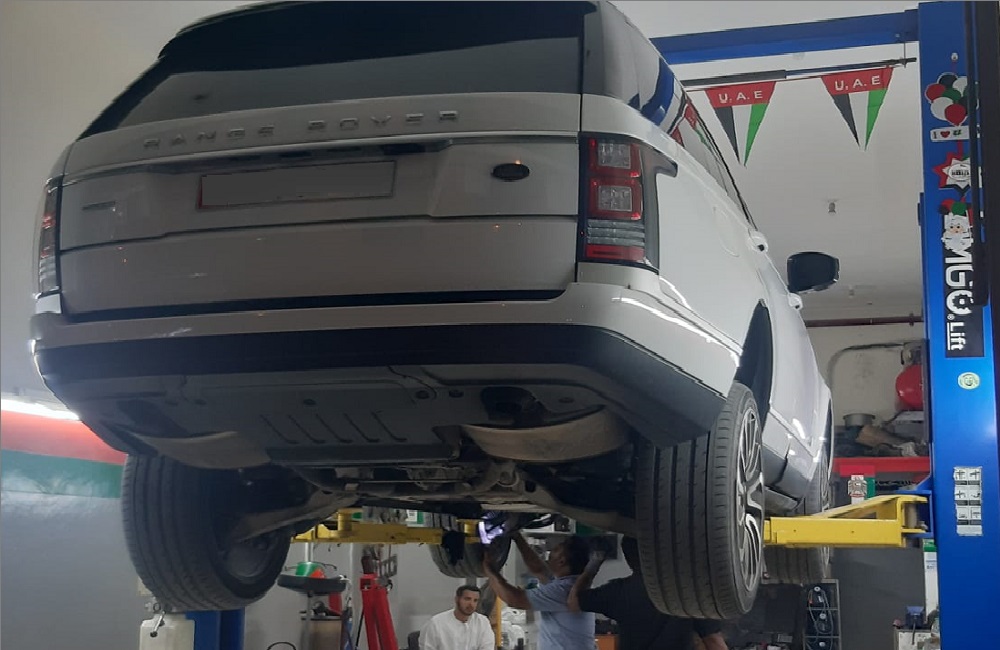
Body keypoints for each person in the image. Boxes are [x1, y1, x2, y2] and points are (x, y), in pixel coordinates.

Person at [568, 537, 727, 650]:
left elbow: (573, 602)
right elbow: (713, 641)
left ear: (629, 559)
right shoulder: (687, 590)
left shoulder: (618, 591)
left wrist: (594, 564)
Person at [482, 532, 595, 650]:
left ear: (561, 561)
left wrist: (488, 569)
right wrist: (517, 537)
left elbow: (514, 599)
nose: (550, 554)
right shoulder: (568, 583)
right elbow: (539, 570)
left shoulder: (563, 590)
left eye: (555, 550)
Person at [420, 584, 496, 650]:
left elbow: (487, 647)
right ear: (457, 599)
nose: (471, 604)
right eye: (467, 599)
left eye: (475, 600)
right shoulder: (436, 623)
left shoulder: (482, 622)